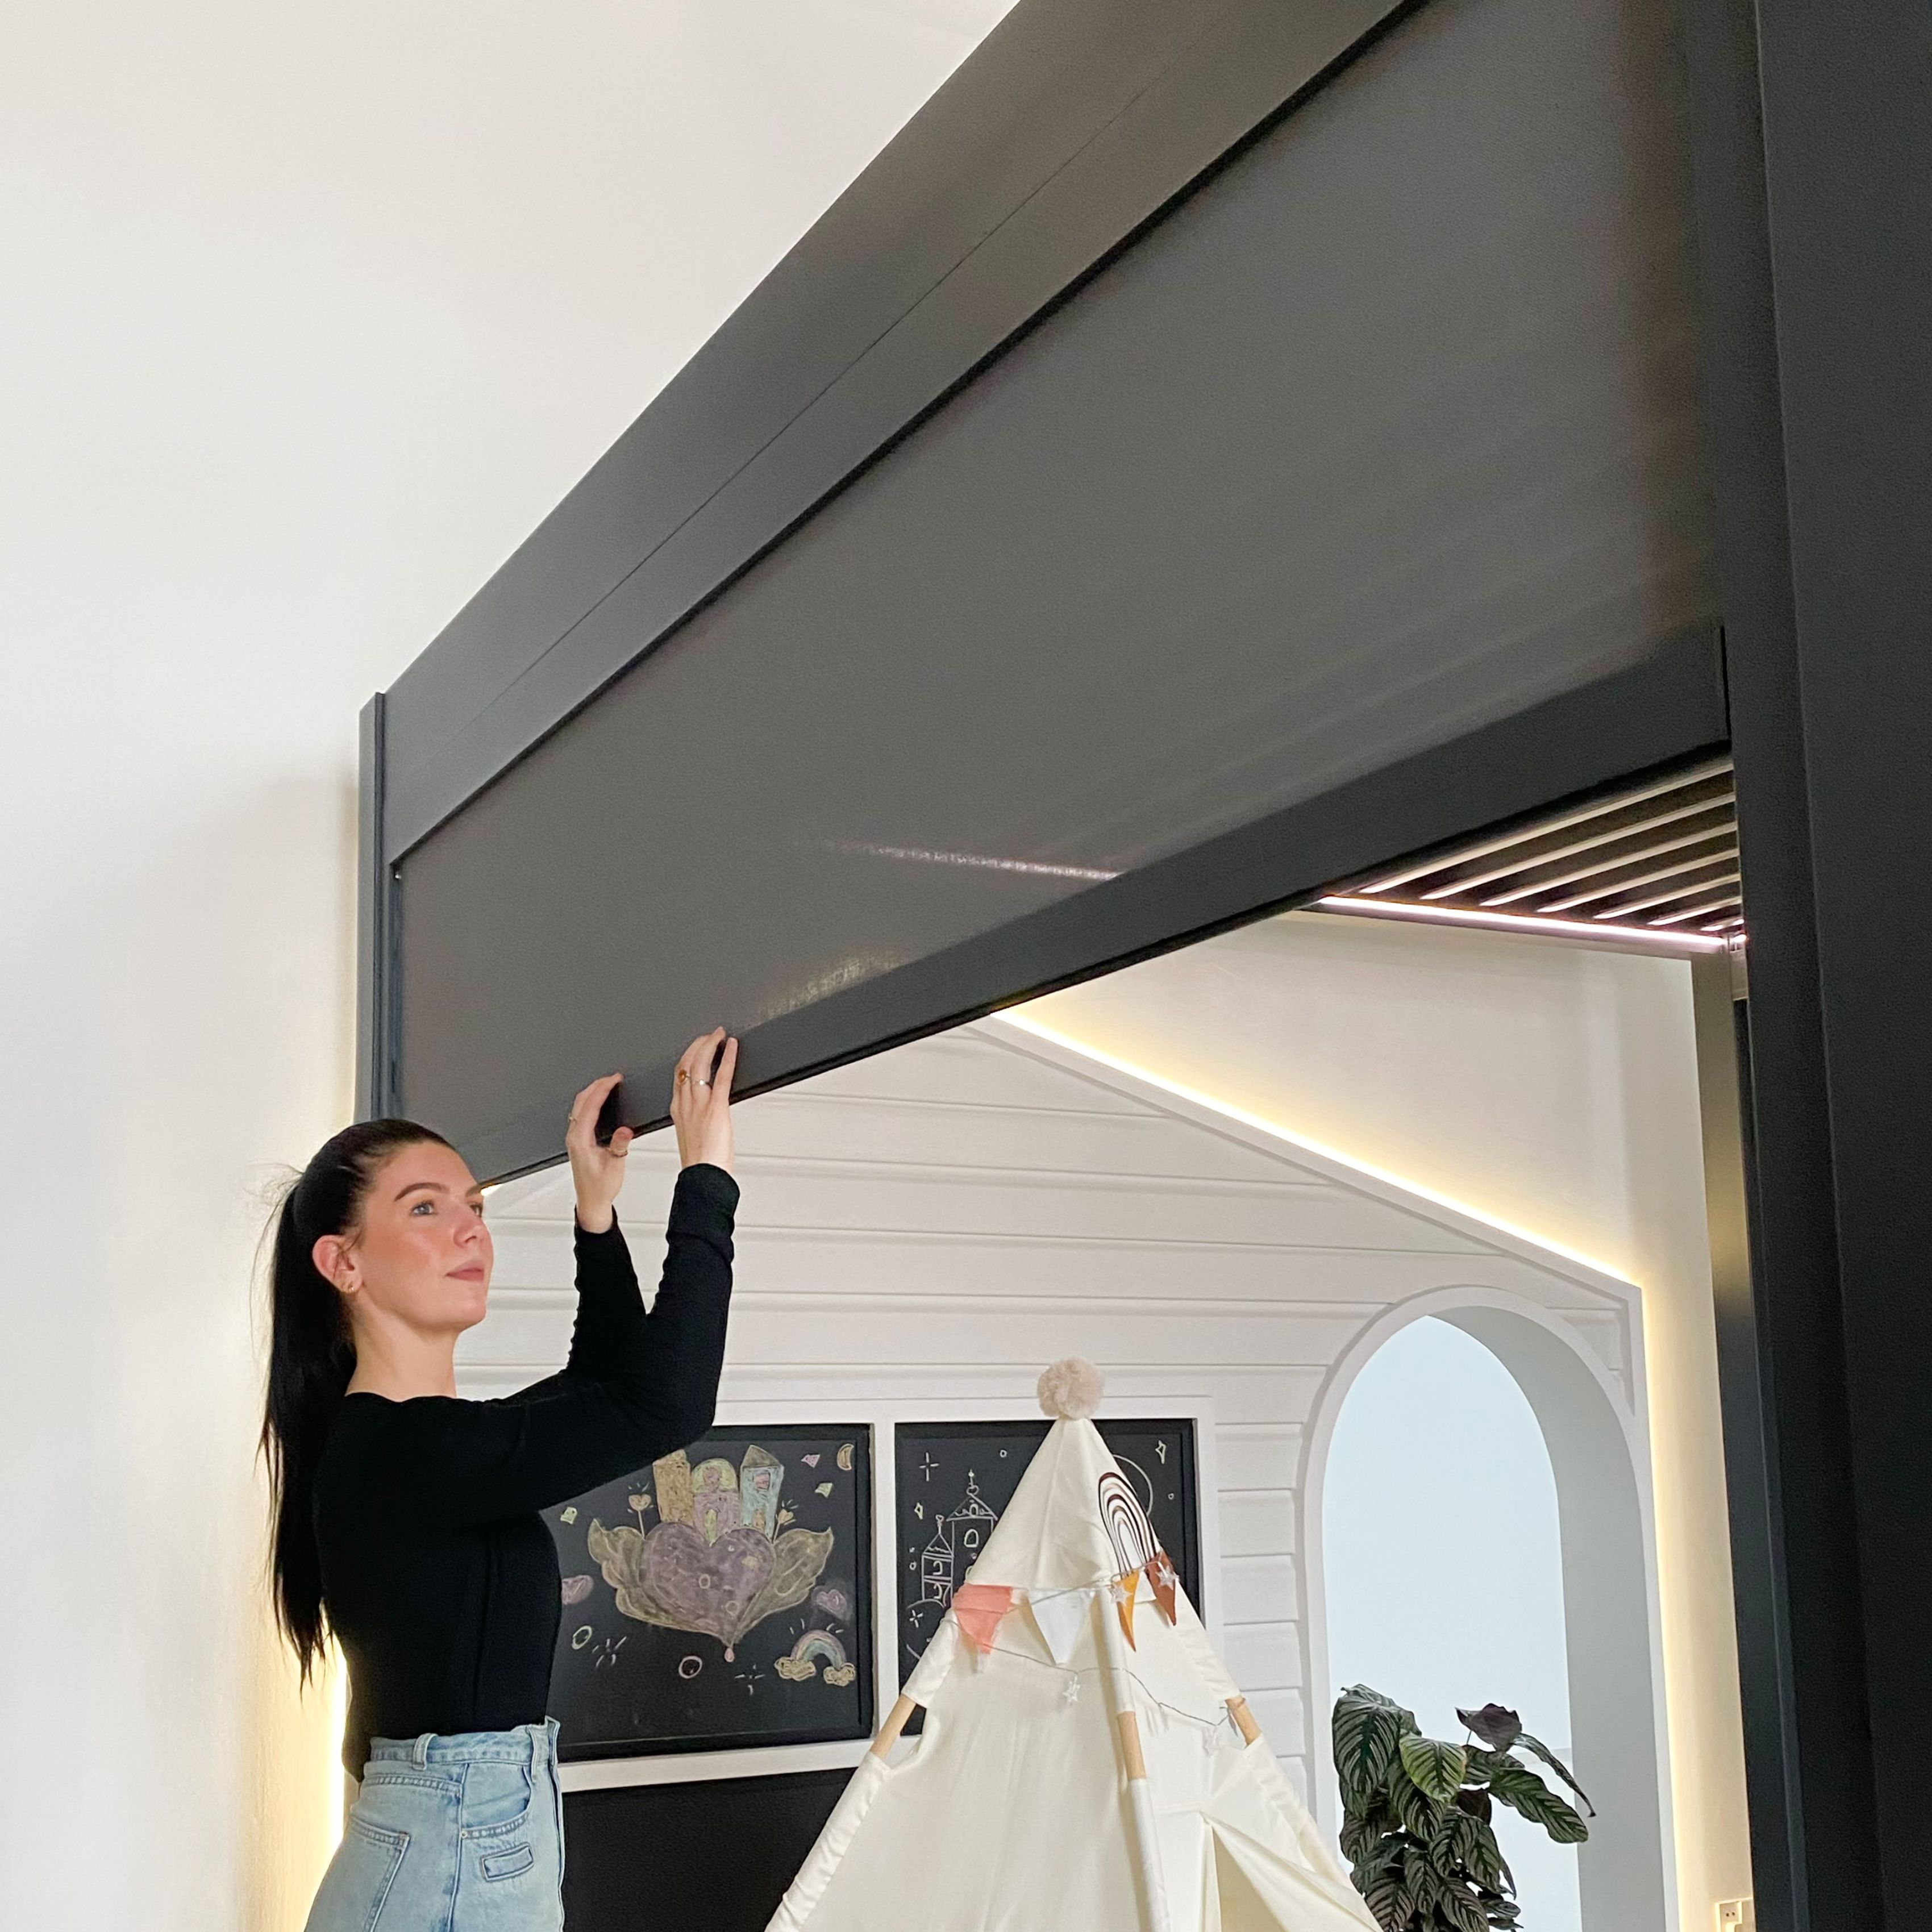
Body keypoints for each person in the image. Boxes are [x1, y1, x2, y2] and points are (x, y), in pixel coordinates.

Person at [262, 1029, 741, 1931]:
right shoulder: (402, 1457)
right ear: (343, 1262)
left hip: (448, 1855)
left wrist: (594, 1215)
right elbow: (664, 1406)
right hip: (446, 1866)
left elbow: (608, 1386)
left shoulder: (417, 1451)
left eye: (474, 1204)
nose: (470, 1226)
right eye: (425, 1209)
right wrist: (706, 1175)